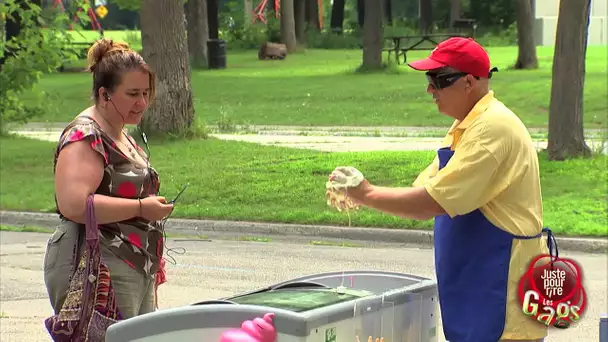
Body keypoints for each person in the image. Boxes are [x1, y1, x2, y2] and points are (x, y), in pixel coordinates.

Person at [326, 37, 551, 342]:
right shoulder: (466, 126)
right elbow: (423, 190)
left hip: (503, 302)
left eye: (438, 80)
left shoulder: (490, 130)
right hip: (480, 291)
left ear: (469, 82)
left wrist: (364, 193)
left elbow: (430, 202)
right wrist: (363, 193)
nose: (429, 89)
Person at [43, 38, 174, 319]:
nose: (142, 103)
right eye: (132, 94)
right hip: (99, 265)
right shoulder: (85, 136)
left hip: (135, 265)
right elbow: (74, 205)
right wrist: (140, 209)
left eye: (146, 93)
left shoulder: (120, 131)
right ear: (104, 95)